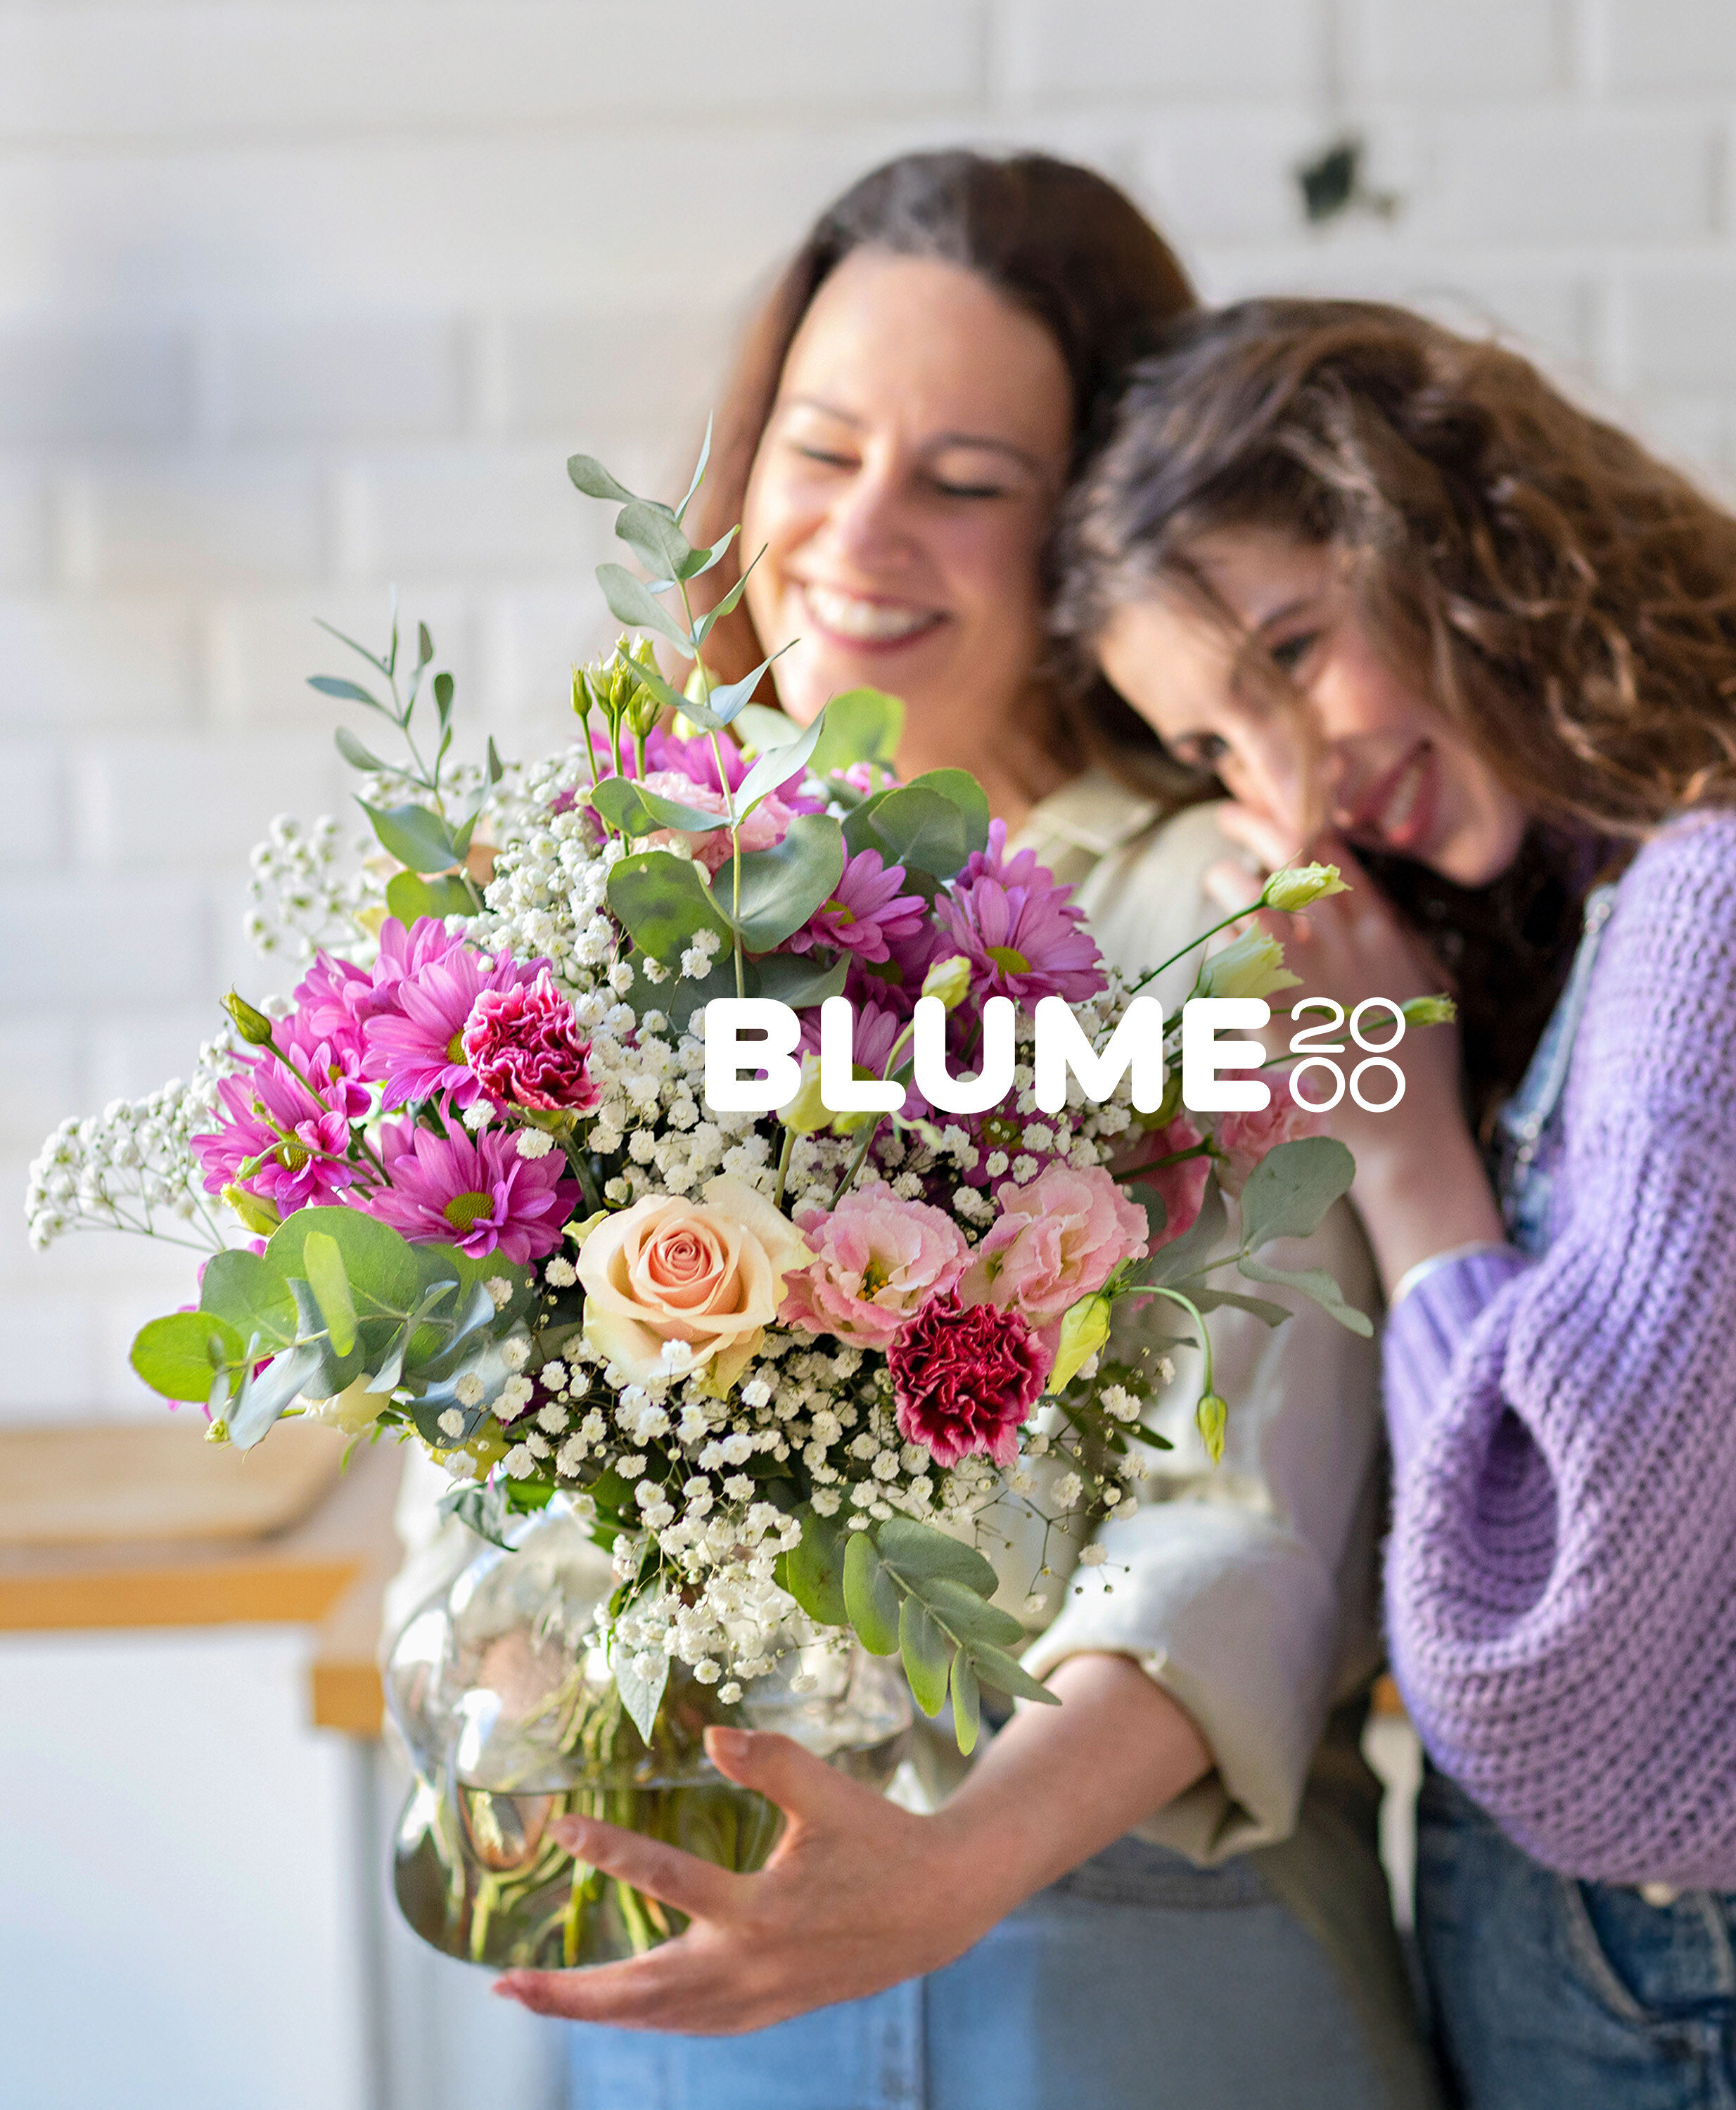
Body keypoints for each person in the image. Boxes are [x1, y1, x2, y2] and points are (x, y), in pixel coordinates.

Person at [392, 160, 1441, 2109]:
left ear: (1095, 543)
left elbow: (1260, 1524)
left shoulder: (1236, 919)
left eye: (966, 481)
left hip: (1121, 1964)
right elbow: (459, 1426)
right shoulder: (627, 887)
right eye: (822, 447)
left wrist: (948, 1866)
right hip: (700, 1970)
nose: (861, 534)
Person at [1054, 295, 1736, 2109]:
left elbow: (1552, 1640)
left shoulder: (1721, 919)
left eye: (1294, 652)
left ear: (1448, 538)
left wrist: (1405, 1151)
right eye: (1219, 748)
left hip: (1715, 2001)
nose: (1288, 788)